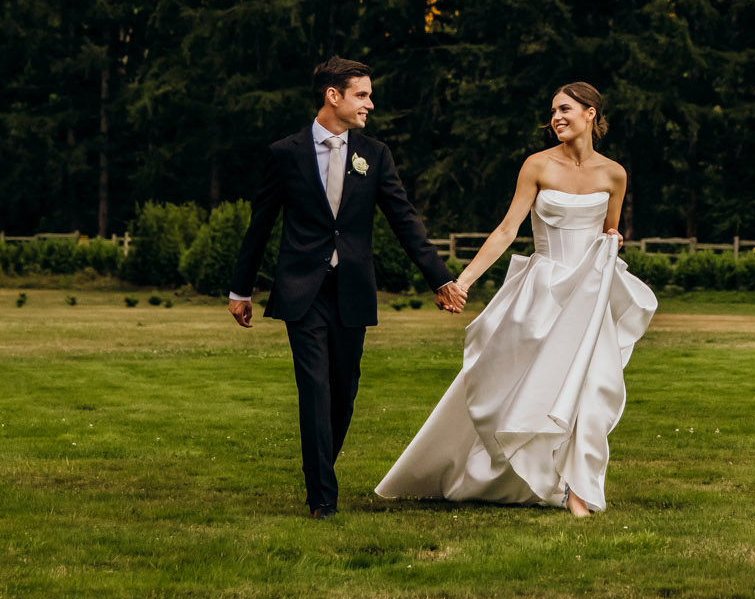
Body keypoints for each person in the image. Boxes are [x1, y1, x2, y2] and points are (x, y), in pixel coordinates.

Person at [377, 81, 656, 516]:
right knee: (518, 384)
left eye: (565, 109)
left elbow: (610, 232)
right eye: (553, 111)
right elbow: (507, 230)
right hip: (542, 293)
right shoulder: (537, 165)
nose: (556, 118)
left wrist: (614, 240)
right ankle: (503, 471)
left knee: (591, 386)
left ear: (590, 114)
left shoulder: (614, 173)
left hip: (587, 297)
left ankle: (578, 489)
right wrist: (463, 281)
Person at [227, 57, 465, 517]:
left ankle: (321, 471)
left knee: (344, 392)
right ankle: (321, 497)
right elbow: (260, 225)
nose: (370, 104)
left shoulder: (374, 154)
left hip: (352, 288)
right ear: (333, 96)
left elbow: (403, 218)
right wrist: (241, 290)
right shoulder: (285, 153)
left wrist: (439, 277)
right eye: (362, 94)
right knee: (314, 388)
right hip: (302, 289)